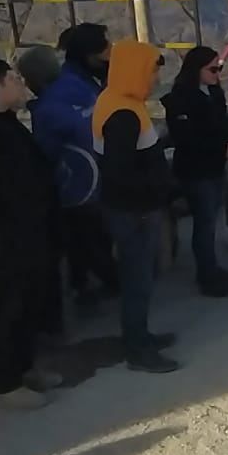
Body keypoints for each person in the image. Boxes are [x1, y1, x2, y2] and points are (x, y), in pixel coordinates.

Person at [92, 40, 180, 374]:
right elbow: (120, 171)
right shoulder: (123, 115)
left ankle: (140, 335)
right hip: (134, 211)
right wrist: (153, 195)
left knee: (138, 278)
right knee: (137, 280)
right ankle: (138, 349)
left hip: (131, 207)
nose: (157, 77)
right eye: (153, 70)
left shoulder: (117, 100)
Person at [31, 23, 120, 312]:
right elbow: (76, 133)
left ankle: (98, 285)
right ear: (88, 54)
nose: (110, 55)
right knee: (87, 240)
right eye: (105, 50)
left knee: (94, 240)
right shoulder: (64, 94)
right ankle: (97, 287)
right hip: (80, 185)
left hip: (94, 179)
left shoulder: (87, 82)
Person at [0, 59, 62, 408]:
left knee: (27, 306)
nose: (22, 83)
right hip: (8, 239)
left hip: (32, 232)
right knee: (7, 309)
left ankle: (23, 368)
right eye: (14, 78)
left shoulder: (10, 123)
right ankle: (5, 385)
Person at [160, 47, 228, 298]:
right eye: (212, 69)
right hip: (196, 170)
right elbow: (186, 139)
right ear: (196, 70)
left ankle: (212, 267)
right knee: (204, 224)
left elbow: (221, 125)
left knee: (211, 220)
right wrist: (222, 149)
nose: (218, 73)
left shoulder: (215, 93)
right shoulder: (180, 99)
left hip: (215, 166)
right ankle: (207, 276)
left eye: (219, 68)